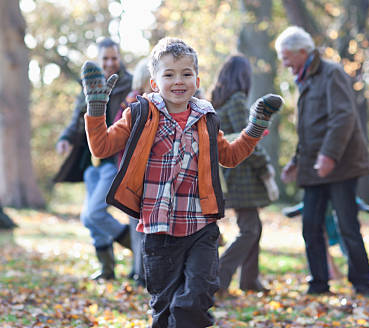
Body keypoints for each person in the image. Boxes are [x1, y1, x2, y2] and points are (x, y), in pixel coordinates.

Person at [81, 37, 283, 327]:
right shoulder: (139, 113)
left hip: (200, 228)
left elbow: (230, 155)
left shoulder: (206, 118)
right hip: (158, 230)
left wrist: (254, 128)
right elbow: (101, 147)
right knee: (164, 308)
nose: (179, 81)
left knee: (196, 299)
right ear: (154, 82)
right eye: (169, 74)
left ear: (197, 80)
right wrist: (96, 107)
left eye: (186, 74)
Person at [276, 26, 369, 296]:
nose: (284, 64)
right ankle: (319, 283)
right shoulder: (304, 80)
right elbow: (309, 129)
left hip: (341, 165)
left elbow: (343, 117)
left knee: (347, 226)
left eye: (286, 58)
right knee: (310, 225)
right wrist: (296, 161)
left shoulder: (331, 73)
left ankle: (362, 283)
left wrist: (329, 155)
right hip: (313, 168)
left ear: (303, 52)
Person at [54, 38, 133, 281]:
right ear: (99, 61)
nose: (110, 63)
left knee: (92, 213)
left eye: (114, 58)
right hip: (91, 162)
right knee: (90, 219)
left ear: (119, 58)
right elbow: (78, 117)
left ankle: (141, 249)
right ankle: (107, 270)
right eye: (105, 59)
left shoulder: (129, 85)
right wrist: (66, 137)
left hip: (115, 160)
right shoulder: (89, 84)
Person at [210, 55, 278, 298]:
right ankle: (218, 279)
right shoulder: (237, 100)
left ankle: (250, 280)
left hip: (230, 172)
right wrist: (265, 167)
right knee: (249, 229)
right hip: (242, 173)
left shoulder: (217, 101)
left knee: (252, 227)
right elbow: (247, 141)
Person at [113, 58, 152, 287]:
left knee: (142, 226)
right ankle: (140, 272)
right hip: (133, 173)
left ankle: (140, 270)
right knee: (138, 226)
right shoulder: (133, 103)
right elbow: (118, 136)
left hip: (146, 173)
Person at [282, 197, 369, 280]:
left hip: (340, 230)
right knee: (323, 250)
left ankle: (353, 272)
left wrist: (364, 208)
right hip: (325, 229)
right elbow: (305, 205)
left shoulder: (338, 194)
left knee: (347, 250)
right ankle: (332, 273)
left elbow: (352, 200)